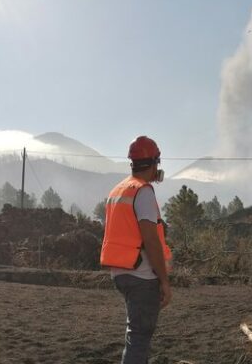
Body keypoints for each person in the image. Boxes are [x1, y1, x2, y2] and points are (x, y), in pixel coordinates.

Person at [100, 135, 173, 364]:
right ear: (154, 163)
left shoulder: (117, 191)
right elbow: (150, 240)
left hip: (121, 272)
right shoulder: (143, 192)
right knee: (139, 339)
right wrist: (164, 281)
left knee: (135, 335)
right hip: (142, 275)